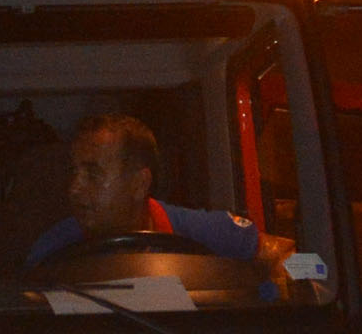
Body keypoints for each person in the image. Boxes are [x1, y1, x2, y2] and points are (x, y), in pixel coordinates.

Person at [25, 114, 292, 275]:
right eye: (75, 173)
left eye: (93, 174)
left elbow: (294, 257)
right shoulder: (51, 251)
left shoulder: (201, 229)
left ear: (140, 184)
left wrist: (307, 283)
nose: (74, 188)